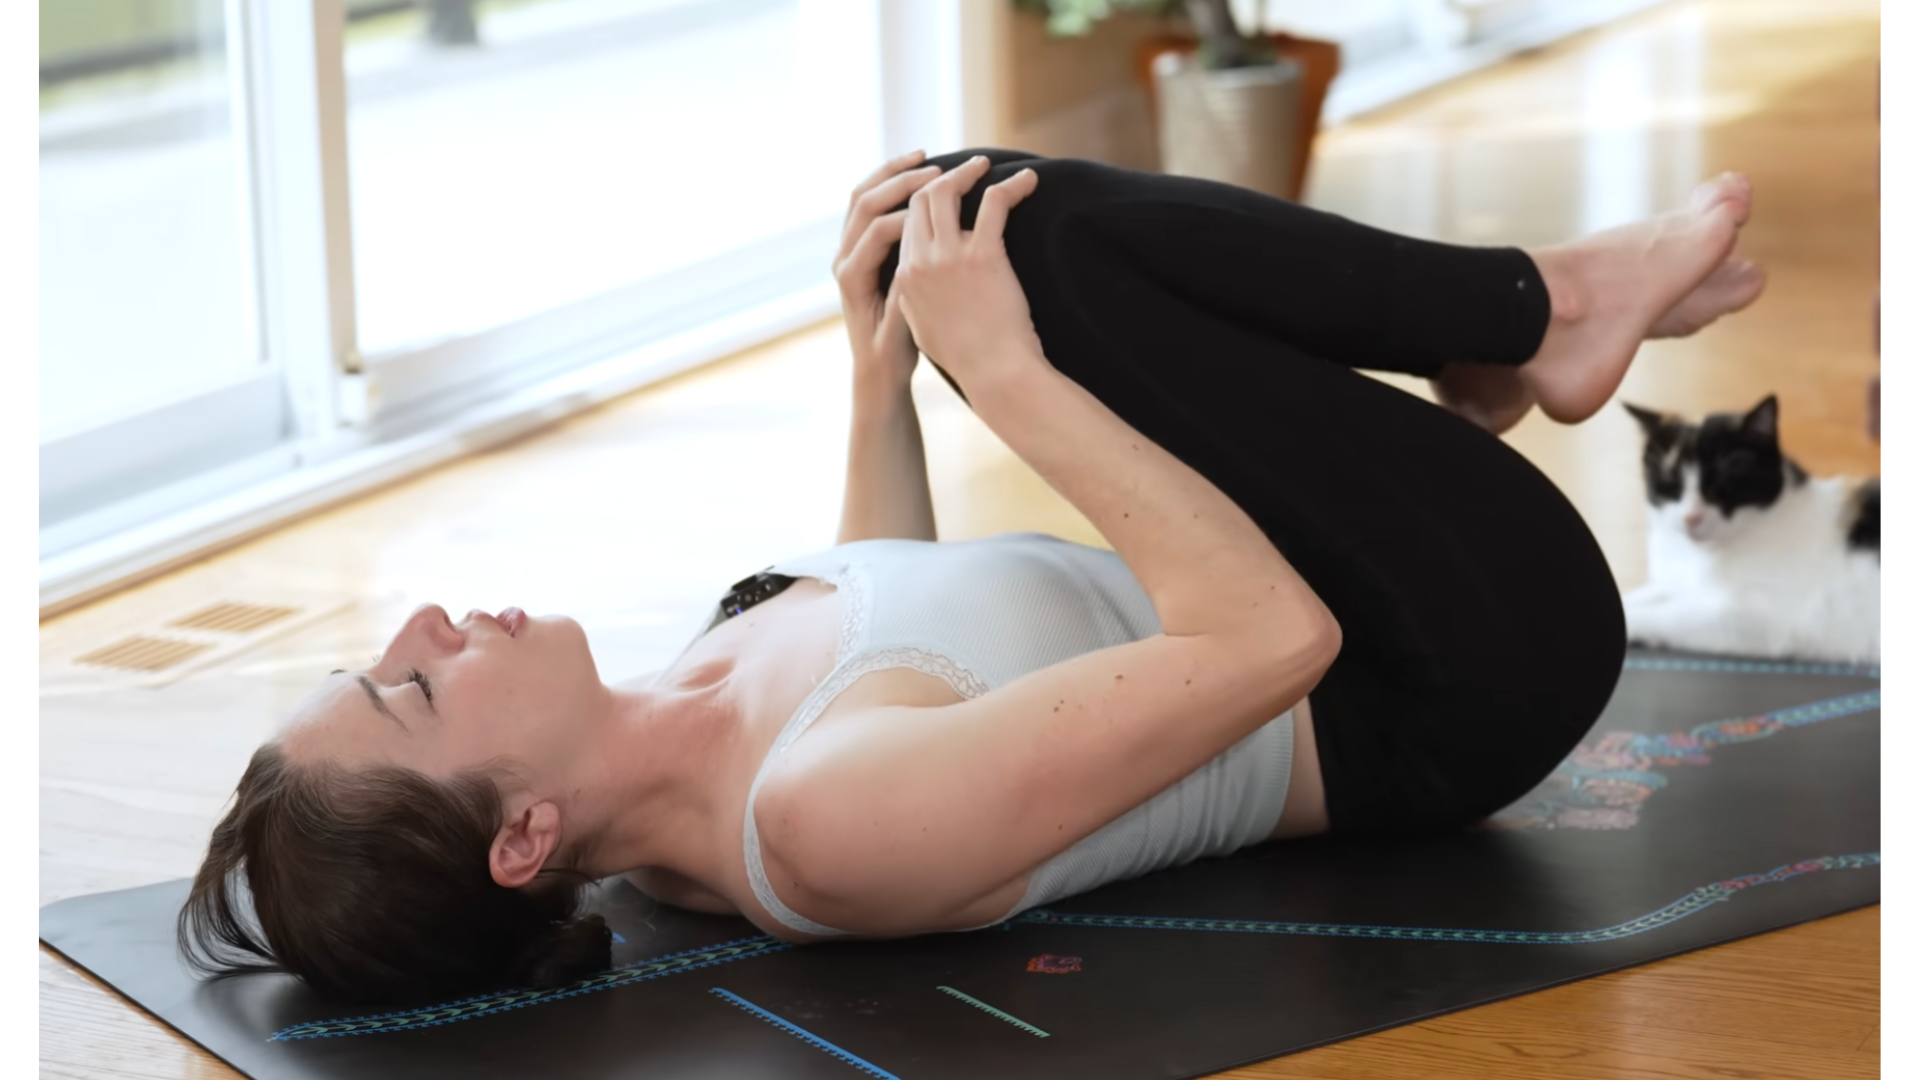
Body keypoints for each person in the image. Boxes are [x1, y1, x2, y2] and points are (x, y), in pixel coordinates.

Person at [179, 149, 1765, 1004]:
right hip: (1451, 667)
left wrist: (886, 373)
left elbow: (909, 611)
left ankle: (1488, 346)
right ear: (523, 835)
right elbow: (1273, 635)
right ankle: (1535, 312)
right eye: (411, 686)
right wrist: (999, 377)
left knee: (941, 225)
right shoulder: (821, 832)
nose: (426, 626)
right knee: (1035, 238)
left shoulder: (665, 729)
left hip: (1362, 580)